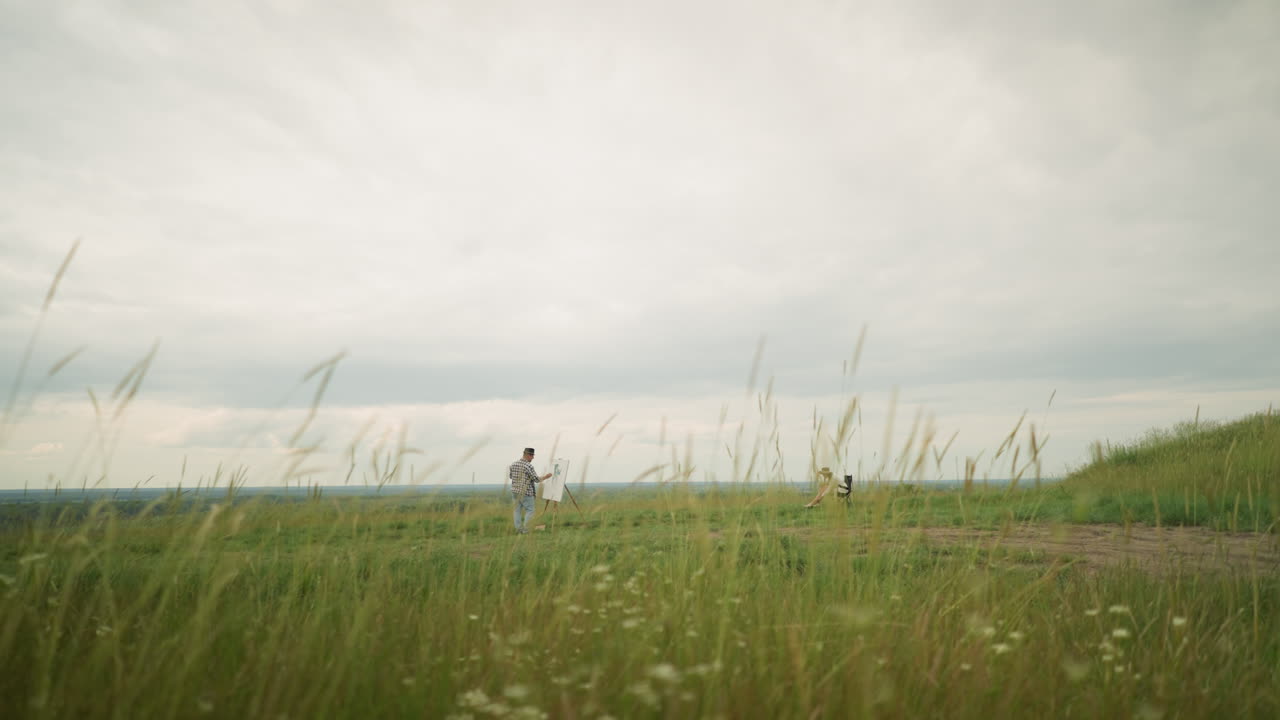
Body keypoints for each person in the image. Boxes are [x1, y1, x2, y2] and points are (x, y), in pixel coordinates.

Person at [509, 447, 551, 534]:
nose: (533, 458)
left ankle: (519, 530)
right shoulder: (528, 466)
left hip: (514, 491)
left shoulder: (513, 464)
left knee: (517, 510)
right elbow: (536, 479)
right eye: (532, 456)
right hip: (526, 492)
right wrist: (546, 477)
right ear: (528, 455)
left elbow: (511, 477)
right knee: (530, 510)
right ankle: (526, 530)